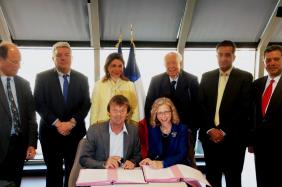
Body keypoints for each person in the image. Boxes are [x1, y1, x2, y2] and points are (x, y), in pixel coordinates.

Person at [34, 42, 91, 187]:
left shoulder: (82, 78)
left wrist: (71, 123)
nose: (63, 58)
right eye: (59, 55)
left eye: (67, 55)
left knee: (73, 171)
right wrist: (58, 124)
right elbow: (39, 103)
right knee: (54, 171)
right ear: (53, 58)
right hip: (50, 133)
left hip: (75, 133)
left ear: (72, 57)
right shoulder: (42, 77)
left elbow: (85, 104)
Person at [199, 40, 253, 187]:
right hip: (209, 138)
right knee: (211, 177)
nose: (223, 58)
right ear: (216, 56)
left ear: (233, 57)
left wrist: (223, 131)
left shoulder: (245, 77)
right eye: (220, 55)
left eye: (227, 55)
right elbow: (201, 106)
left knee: (233, 178)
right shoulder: (206, 76)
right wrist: (211, 129)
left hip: (234, 139)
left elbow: (244, 109)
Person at [145, 51, 200, 167]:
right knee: (163, 159)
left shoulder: (192, 80)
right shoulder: (156, 80)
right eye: (168, 63)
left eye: (174, 63)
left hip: (185, 130)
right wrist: (153, 127)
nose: (171, 66)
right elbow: (149, 106)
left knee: (185, 160)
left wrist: (191, 129)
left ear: (180, 62)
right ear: (164, 65)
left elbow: (198, 106)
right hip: (162, 129)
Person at [0, 42, 38, 187]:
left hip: (19, 147)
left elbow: (31, 117)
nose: (19, 66)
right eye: (14, 62)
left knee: (15, 183)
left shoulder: (24, 84)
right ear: (1, 60)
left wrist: (31, 143)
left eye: (19, 61)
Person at [80, 95, 141, 169]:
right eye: (115, 110)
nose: (118, 114)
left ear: (127, 114)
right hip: (101, 173)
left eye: (122, 111)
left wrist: (133, 162)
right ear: (109, 112)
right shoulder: (95, 130)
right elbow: (84, 159)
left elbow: (137, 156)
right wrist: (104, 164)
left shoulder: (133, 131)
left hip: (125, 173)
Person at [250, 45, 282, 187]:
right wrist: (250, 141)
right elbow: (252, 115)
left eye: (276, 59)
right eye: (268, 60)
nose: (272, 63)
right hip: (260, 146)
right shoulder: (257, 84)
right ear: (264, 63)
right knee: (262, 181)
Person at [90, 52, 139, 125]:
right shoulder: (99, 85)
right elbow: (94, 109)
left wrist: (134, 126)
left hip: (124, 126)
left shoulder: (130, 85)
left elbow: (134, 109)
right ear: (107, 67)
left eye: (120, 66)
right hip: (102, 127)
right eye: (113, 66)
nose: (117, 69)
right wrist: (92, 128)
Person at [140, 97, 188, 169]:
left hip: (177, 167)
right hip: (159, 169)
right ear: (155, 115)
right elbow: (152, 153)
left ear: (172, 112)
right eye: (160, 113)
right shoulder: (153, 130)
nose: (163, 116)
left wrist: (163, 163)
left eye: (166, 112)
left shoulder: (181, 128)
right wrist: (148, 160)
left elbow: (182, 154)